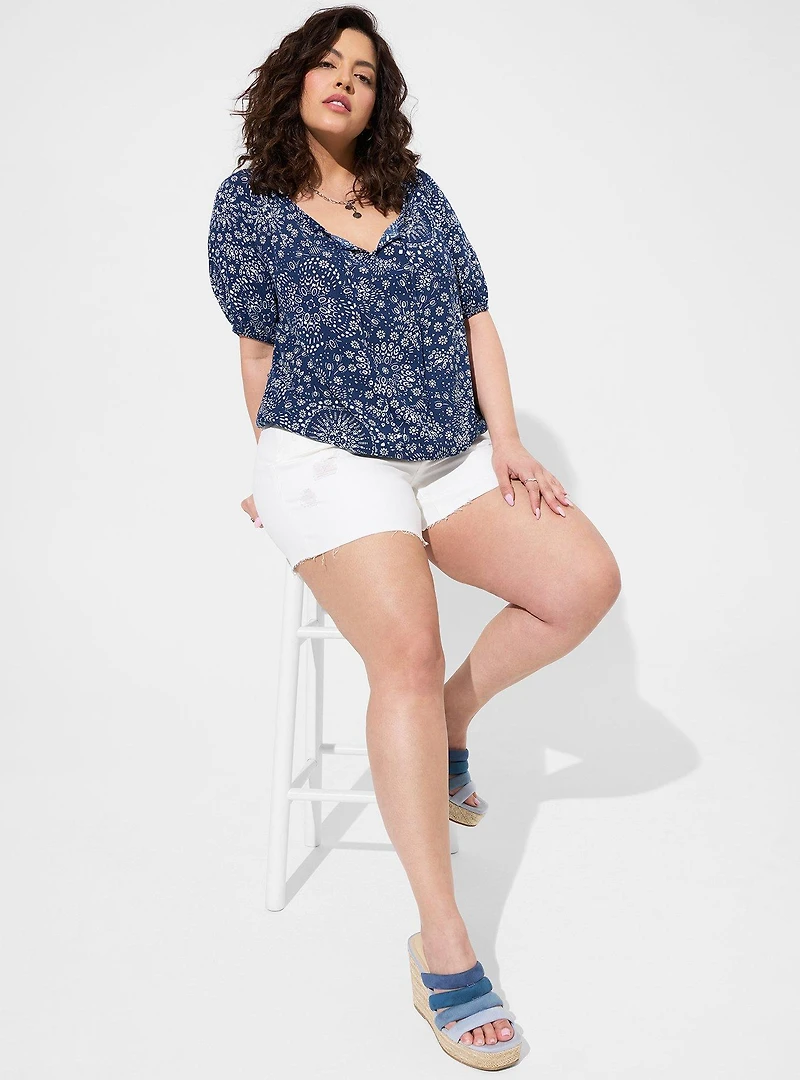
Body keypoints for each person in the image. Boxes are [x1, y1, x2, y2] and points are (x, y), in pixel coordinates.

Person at [207, 6, 621, 1069]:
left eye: (364, 70)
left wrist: (508, 442)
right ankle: (443, 946)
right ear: (295, 80)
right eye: (327, 63)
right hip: (325, 457)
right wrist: (270, 467)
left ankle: (450, 721)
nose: (344, 79)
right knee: (406, 646)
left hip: (448, 452)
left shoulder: (416, 193)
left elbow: (475, 313)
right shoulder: (247, 204)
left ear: (378, 98)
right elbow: (256, 351)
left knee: (582, 583)